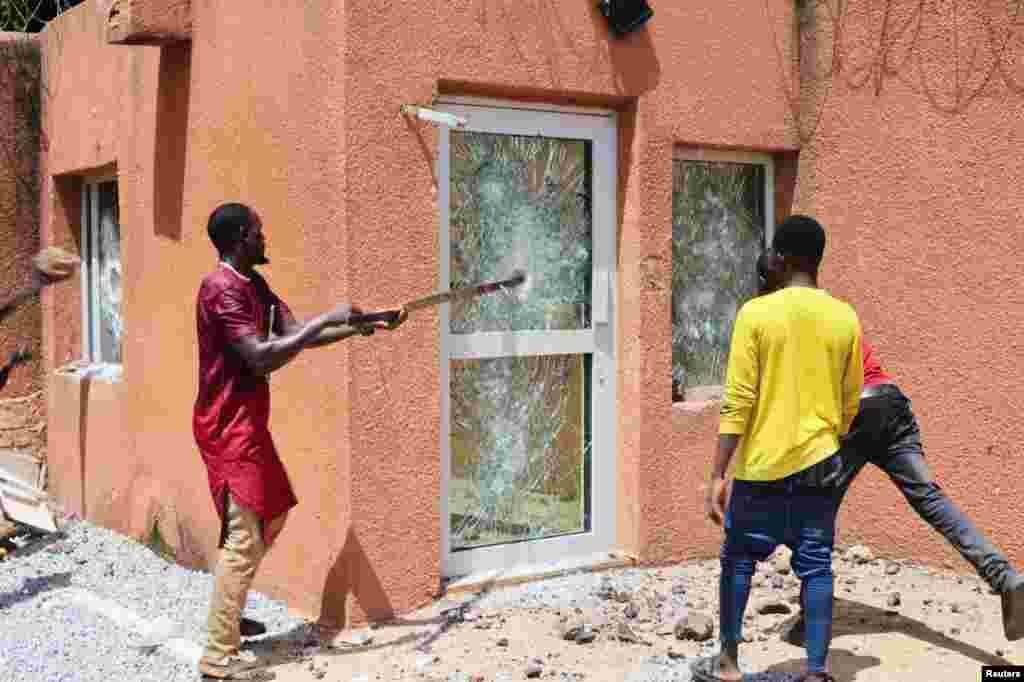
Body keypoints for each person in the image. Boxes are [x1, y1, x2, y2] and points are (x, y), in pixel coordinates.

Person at [755, 249, 1024, 644]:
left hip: (854, 412)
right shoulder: (828, 306)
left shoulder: (780, 320)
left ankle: (813, 621)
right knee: (931, 500)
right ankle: (1007, 578)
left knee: (812, 508)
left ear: (770, 283)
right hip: (889, 401)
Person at [194, 203, 406, 680]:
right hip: (228, 426)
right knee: (246, 533)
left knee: (273, 510)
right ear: (242, 236)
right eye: (259, 231)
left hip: (249, 424)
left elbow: (294, 335)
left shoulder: (255, 285)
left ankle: (230, 603)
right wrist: (329, 315)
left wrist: (363, 323)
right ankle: (219, 656)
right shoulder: (220, 289)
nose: (265, 238)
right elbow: (260, 358)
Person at [694, 215, 862, 682]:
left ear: (782, 258)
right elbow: (851, 403)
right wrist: (829, 439)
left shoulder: (756, 314)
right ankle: (814, 671)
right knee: (816, 567)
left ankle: (728, 663)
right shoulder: (845, 317)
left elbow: (738, 401)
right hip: (821, 465)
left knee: (738, 560)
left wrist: (717, 474)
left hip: (762, 470)